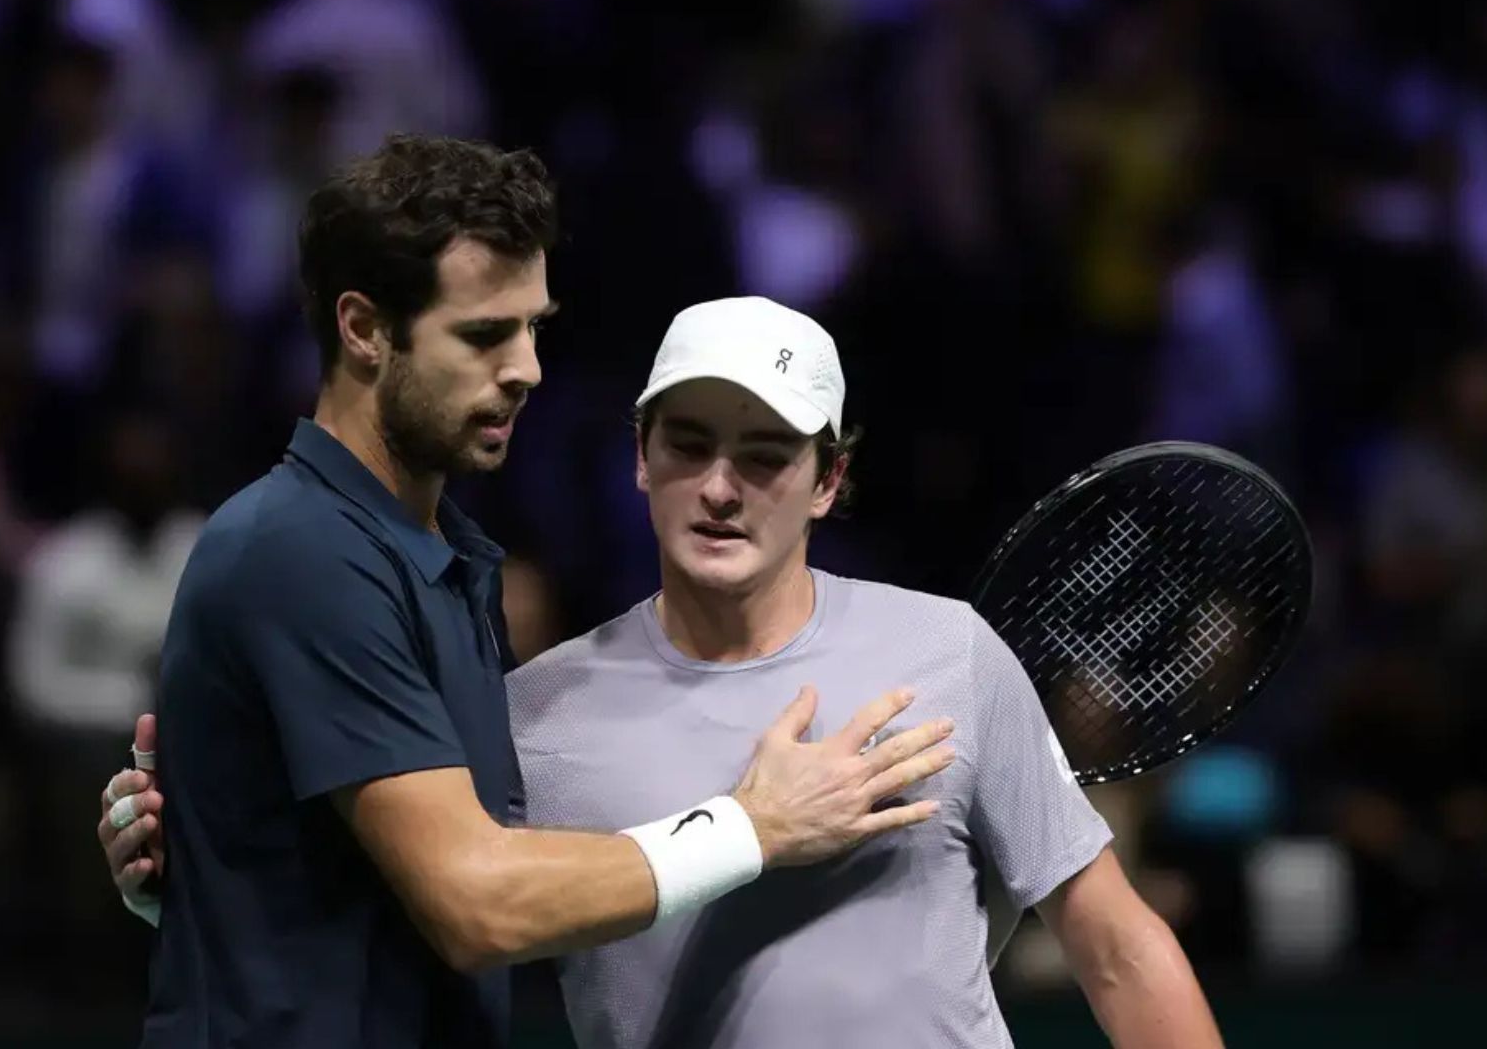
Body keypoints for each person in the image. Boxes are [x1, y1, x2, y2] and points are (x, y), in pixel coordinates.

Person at [105, 291, 1225, 1047]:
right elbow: (397, 923)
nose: (722, 488)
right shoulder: (530, 722)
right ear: (640, 458)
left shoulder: (952, 656)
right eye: (688, 445)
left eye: (768, 454)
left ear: (830, 480)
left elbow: (1115, 943)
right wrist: (188, 881)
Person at [107, 134, 957, 1049]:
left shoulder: (442, 557)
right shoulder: (300, 550)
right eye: (482, 334)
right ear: (362, 330)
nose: (526, 368)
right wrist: (753, 826)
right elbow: (477, 903)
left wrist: (204, 879)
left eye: (533, 327)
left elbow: (386, 884)